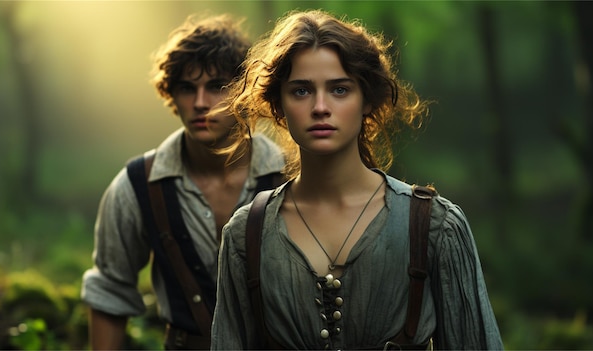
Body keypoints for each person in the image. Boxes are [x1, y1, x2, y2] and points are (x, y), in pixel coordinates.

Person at [210, 10, 503, 350]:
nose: (320, 107)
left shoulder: (434, 226)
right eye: (302, 91)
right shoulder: (246, 235)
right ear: (279, 106)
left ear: (366, 99)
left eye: (339, 89)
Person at [80, 14, 285, 350]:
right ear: (171, 95)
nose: (200, 102)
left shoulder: (289, 175)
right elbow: (110, 292)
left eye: (217, 86)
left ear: (245, 91)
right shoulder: (139, 184)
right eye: (187, 88)